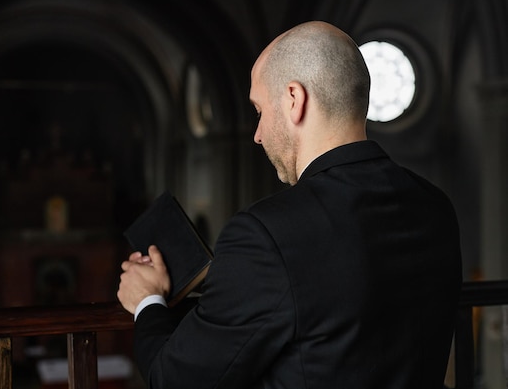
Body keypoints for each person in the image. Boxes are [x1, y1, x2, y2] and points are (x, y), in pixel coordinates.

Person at [117, 21, 462, 389]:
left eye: (260, 111)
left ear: (295, 100)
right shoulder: (435, 206)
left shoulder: (265, 234)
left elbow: (175, 381)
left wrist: (148, 300)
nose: (258, 134)